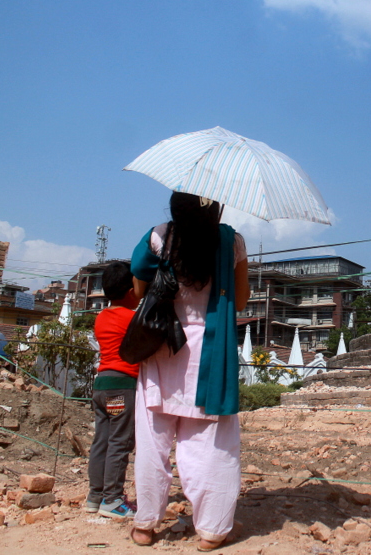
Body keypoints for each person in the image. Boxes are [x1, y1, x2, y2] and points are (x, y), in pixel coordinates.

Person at [129, 192, 250, 551]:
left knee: (152, 442)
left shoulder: (159, 236)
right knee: (211, 447)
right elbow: (240, 301)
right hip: (210, 357)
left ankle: (145, 525)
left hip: (163, 349)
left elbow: (138, 290)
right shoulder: (233, 242)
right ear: (215, 208)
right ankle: (212, 530)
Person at [86, 261, 140, 518]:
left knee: (101, 441)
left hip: (101, 386)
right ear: (132, 290)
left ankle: (95, 497)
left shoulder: (101, 317)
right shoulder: (133, 318)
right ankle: (113, 500)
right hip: (122, 387)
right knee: (120, 442)